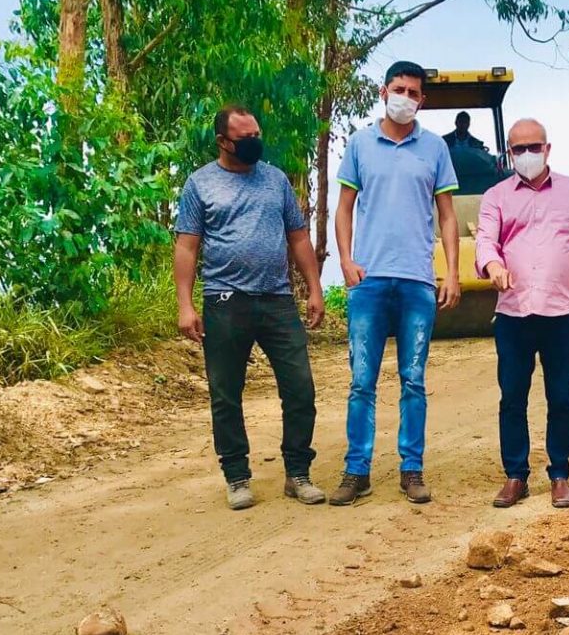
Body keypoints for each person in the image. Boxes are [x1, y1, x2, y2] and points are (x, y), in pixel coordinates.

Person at [174, 105, 326, 511]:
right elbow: (187, 246)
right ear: (223, 142)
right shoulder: (200, 184)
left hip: (277, 300)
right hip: (225, 301)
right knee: (226, 394)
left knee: (300, 389)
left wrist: (314, 289)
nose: (255, 142)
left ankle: (298, 473)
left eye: (257, 134)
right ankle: (237, 477)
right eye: (245, 138)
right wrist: (185, 305)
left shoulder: (275, 180)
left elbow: (298, 237)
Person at [332, 60, 461, 506]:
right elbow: (344, 207)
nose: (405, 97)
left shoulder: (435, 149)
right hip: (368, 280)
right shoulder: (360, 144)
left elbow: (447, 215)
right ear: (383, 92)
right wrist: (346, 260)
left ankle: (412, 469)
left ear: (422, 100)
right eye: (399, 89)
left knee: (413, 380)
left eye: (413, 92)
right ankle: (356, 471)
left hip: (416, 281)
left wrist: (452, 272)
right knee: (361, 382)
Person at [475, 118, 569, 510]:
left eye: (533, 147)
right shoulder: (496, 197)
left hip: (560, 312)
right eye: (518, 149)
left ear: (547, 149)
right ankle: (515, 475)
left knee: (561, 396)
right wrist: (492, 265)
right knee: (512, 397)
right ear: (509, 154)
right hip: (514, 313)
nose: (527, 155)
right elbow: (485, 241)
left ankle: (560, 474)